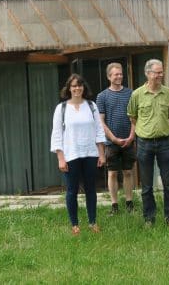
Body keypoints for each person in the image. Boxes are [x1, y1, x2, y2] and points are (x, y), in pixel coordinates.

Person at [50, 73, 106, 235]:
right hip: (71, 155)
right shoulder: (61, 109)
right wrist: (60, 157)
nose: (77, 88)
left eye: (79, 85)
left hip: (90, 153)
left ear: (84, 87)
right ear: (69, 88)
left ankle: (92, 222)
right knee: (72, 191)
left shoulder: (91, 106)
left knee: (90, 189)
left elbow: (99, 131)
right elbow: (57, 134)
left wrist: (101, 154)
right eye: (74, 86)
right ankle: (75, 225)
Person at [127, 59, 169, 226]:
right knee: (147, 185)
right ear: (148, 73)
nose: (160, 75)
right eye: (157, 72)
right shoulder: (137, 94)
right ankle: (149, 218)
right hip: (144, 143)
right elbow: (132, 116)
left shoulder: (168, 93)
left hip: (165, 143)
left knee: (168, 184)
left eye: (161, 72)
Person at [96, 63, 136, 215]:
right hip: (111, 142)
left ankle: (129, 203)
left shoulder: (131, 94)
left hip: (128, 140)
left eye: (120, 74)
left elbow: (134, 117)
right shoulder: (102, 96)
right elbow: (101, 121)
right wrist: (113, 138)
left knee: (127, 172)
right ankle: (114, 205)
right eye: (115, 74)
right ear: (109, 77)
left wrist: (131, 137)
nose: (119, 76)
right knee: (112, 173)